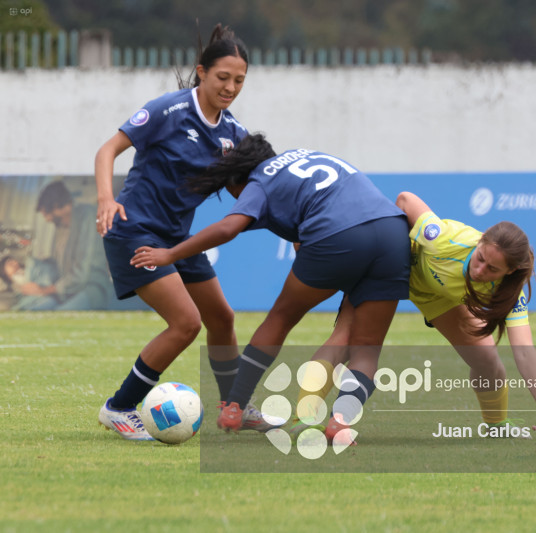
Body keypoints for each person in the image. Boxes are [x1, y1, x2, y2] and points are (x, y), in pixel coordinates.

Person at [129, 133, 411, 437]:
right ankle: (340, 423)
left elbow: (228, 228)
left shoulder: (259, 180)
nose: (238, 199)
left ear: (238, 179)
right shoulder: (305, 155)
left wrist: (170, 254)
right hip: (393, 231)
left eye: (232, 192)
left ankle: (235, 406)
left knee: (280, 318)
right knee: (366, 347)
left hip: (336, 235)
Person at [94, 24, 267, 441]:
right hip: (134, 231)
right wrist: (105, 199)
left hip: (177, 240)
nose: (230, 88)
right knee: (186, 323)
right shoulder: (168, 110)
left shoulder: (233, 134)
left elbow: (250, 189)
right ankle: (118, 407)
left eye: (239, 81)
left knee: (221, 317)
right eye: (222, 77)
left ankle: (233, 408)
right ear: (202, 72)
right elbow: (107, 150)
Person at [296, 191, 536, 444]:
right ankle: (303, 419)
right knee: (346, 340)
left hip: (436, 296)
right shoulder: (443, 239)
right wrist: (392, 245)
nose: (480, 271)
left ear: (509, 272)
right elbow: (404, 199)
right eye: (480, 258)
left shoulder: (509, 293)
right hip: (392, 269)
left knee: (487, 360)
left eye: (492, 269)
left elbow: (524, 352)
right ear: (479, 242)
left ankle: (496, 425)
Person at [7, 182, 111, 311]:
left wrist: (43, 290)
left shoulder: (87, 215)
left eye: (46, 214)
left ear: (57, 206)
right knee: (30, 310)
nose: (47, 219)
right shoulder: (61, 227)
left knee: (57, 315)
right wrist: (28, 268)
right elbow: (58, 265)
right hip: (65, 291)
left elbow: (80, 273)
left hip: (90, 288)